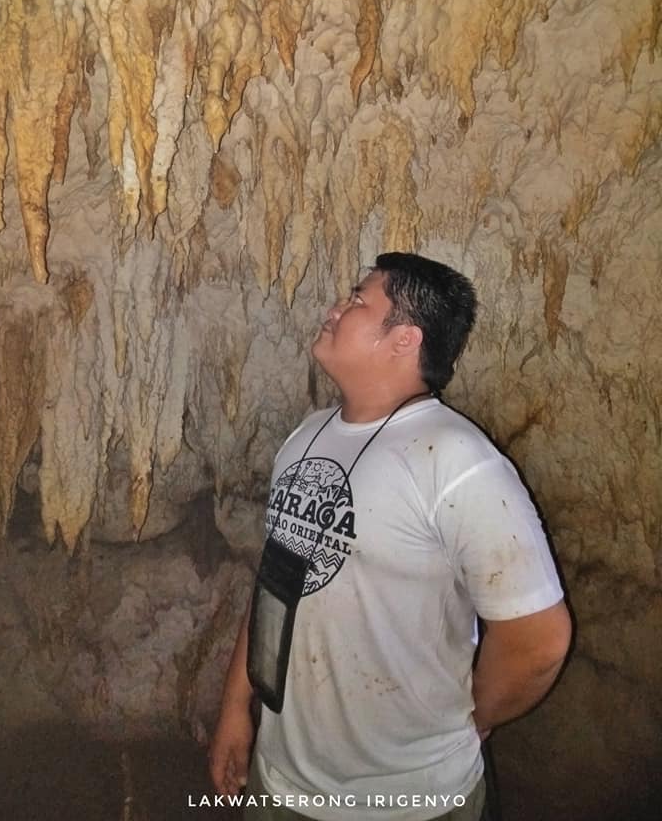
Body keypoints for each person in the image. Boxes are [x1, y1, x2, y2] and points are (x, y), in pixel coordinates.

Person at [209, 252, 571, 821]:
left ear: (405, 339)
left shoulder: (456, 460)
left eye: (358, 300)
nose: (335, 309)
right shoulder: (306, 437)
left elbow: (539, 639)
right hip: (283, 783)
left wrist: (471, 720)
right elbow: (276, 582)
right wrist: (237, 705)